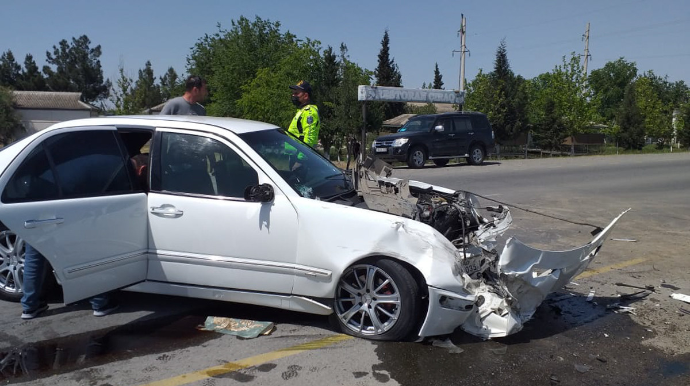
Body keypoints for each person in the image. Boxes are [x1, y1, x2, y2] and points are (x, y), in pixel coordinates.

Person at [21, 243, 119, 319]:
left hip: (33, 219)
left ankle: (29, 306)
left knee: (33, 256)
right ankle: (100, 302)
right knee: (85, 248)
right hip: (61, 217)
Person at [288, 80, 320, 148]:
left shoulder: (309, 112)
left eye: (296, 93)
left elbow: (309, 139)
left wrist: (302, 157)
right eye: (293, 93)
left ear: (305, 96)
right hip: (293, 155)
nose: (293, 95)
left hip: (300, 157)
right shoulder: (302, 111)